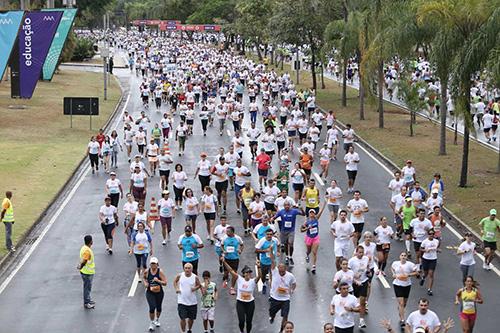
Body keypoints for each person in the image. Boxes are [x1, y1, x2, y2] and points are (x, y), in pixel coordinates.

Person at [223, 259, 262, 333]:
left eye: (249, 272)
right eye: (247, 272)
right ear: (243, 274)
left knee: (249, 321)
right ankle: (242, 331)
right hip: (240, 303)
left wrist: (259, 267)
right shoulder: (239, 279)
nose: (248, 274)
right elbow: (231, 270)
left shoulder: (253, 281)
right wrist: (224, 262)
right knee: (241, 321)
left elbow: (259, 276)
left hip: (250, 303)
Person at [268, 253, 297, 333]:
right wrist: (270, 251)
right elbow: (272, 261)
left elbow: (294, 284)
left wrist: (292, 290)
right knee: (271, 312)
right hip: (275, 297)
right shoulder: (274, 271)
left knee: (285, 315)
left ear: (285, 269)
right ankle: (272, 316)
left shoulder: (290, 276)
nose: (281, 273)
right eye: (280, 271)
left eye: (282, 272)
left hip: (285, 299)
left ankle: (281, 330)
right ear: (277, 269)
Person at [391, 252, 418, 327]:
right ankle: (402, 320)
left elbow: (416, 272)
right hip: (397, 284)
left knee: (404, 304)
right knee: (401, 303)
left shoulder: (410, 265)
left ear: (406, 257)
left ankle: (400, 309)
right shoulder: (395, 263)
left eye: (405, 256)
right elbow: (392, 268)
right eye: (402, 255)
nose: (403, 257)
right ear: (399, 257)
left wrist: (409, 275)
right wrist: (393, 274)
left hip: (407, 285)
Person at [174, 263, 202, 333]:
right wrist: (177, 288)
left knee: (191, 318)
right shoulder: (180, 275)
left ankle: (189, 329)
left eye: (189, 268)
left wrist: (195, 288)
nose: (187, 269)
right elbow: (175, 281)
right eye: (186, 268)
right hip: (181, 301)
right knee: (182, 318)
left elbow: (199, 285)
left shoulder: (195, 277)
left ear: (191, 269)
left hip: (192, 302)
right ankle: (183, 331)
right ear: (184, 268)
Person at [300, 204, 326, 274]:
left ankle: (314, 266)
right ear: (309, 214)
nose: (312, 214)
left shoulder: (316, 219)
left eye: (313, 213)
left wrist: (324, 204)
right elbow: (301, 230)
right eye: (310, 213)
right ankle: (307, 255)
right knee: (309, 251)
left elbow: (321, 211)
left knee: (314, 252)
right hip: (309, 238)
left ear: (314, 214)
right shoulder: (306, 221)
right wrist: (307, 228)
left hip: (315, 237)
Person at [143, 257, 167, 331]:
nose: (153, 265)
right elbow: (144, 278)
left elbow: (165, 283)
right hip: (150, 292)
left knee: (159, 308)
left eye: (154, 264)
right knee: (152, 307)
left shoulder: (160, 272)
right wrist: (145, 283)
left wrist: (158, 281)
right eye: (151, 264)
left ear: (157, 264)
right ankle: (152, 322)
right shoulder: (147, 271)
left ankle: (157, 319)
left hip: (159, 292)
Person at [348, 245, 369, 328]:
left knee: (362, 301)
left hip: (364, 281)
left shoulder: (366, 259)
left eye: (362, 252)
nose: (361, 254)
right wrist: (355, 280)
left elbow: (367, 268)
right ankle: (350, 316)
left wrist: (368, 272)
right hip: (354, 283)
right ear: (356, 252)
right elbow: (348, 273)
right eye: (359, 252)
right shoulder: (352, 261)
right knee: (353, 302)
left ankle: (361, 320)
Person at [221, 226, 244, 294]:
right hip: (227, 258)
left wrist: (240, 250)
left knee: (234, 274)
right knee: (226, 273)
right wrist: (224, 251)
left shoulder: (238, 238)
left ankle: (232, 288)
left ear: (232, 232)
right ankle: (226, 279)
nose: (227, 233)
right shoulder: (224, 238)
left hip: (235, 258)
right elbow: (221, 245)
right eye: (226, 231)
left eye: (228, 231)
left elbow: (242, 245)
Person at [420, 230, 440, 295]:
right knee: (426, 273)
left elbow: (438, 248)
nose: (431, 235)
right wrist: (425, 250)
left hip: (433, 259)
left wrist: (438, 250)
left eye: (433, 234)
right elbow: (420, 249)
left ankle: (429, 289)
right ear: (428, 234)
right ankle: (423, 278)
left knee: (431, 274)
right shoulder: (424, 241)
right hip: (425, 258)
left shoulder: (436, 241)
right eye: (430, 234)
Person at [78, 235, 95, 309]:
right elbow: (85, 260)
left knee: (87, 287)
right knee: (87, 288)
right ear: (91, 241)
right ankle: (87, 302)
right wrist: (81, 266)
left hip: (85, 271)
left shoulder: (84, 248)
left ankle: (88, 299)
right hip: (87, 272)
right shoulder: (87, 251)